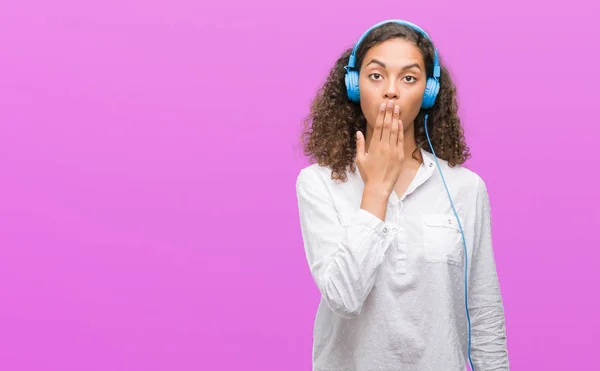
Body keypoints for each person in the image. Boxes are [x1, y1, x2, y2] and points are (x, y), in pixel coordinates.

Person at [295, 19, 509, 371]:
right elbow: (344, 298)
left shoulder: (465, 188)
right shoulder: (317, 183)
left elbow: (484, 311)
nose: (391, 91)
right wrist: (377, 190)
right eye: (376, 76)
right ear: (354, 86)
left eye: (409, 78)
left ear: (428, 92)